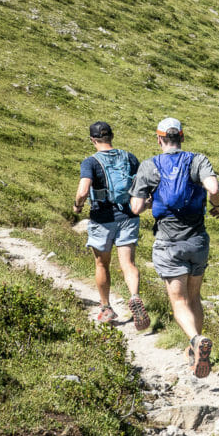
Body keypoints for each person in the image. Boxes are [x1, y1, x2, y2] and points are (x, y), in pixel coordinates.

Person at [129, 117, 219, 378]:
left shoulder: (150, 166)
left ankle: (195, 339)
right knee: (194, 297)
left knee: (179, 301)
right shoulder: (197, 160)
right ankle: (193, 351)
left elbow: (135, 208)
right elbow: (213, 188)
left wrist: (150, 202)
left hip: (169, 243)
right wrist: (217, 205)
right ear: (182, 137)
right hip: (197, 240)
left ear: (159, 139)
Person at [73, 121, 149, 330]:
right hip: (128, 216)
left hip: (102, 219)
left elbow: (82, 191)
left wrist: (77, 206)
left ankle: (106, 308)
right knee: (128, 264)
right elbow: (143, 184)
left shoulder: (90, 162)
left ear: (92, 140)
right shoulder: (129, 157)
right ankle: (134, 296)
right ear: (111, 137)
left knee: (102, 264)